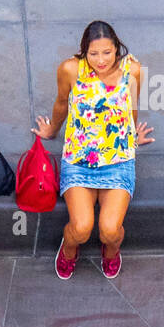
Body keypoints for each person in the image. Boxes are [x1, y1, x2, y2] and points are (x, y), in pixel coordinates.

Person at [32, 21, 153, 280]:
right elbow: (61, 103)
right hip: (79, 159)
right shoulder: (70, 69)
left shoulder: (133, 70)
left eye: (107, 53)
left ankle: (111, 251)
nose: (100, 60)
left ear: (117, 48)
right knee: (81, 227)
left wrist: (132, 134)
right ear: (84, 51)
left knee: (110, 230)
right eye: (93, 53)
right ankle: (68, 249)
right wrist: (52, 130)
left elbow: (131, 105)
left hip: (117, 159)